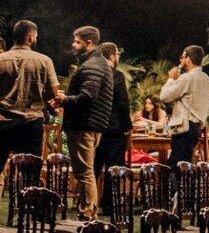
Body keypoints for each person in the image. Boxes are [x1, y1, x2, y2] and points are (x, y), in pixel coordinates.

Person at [62, 26, 115, 217]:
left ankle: (87, 213)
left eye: (77, 42)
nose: (73, 45)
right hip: (92, 124)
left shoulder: (92, 65)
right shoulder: (99, 63)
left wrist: (63, 99)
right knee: (86, 171)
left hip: (84, 125)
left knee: (85, 172)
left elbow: (87, 97)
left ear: (89, 43)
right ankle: (88, 212)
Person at [0, 20, 60, 176]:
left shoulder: (1, 59)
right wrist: (42, 95)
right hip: (30, 124)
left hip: (2, 122)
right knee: (31, 176)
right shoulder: (44, 61)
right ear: (30, 37)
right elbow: (54, 92)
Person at [158, 46, 209, 170]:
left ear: (188, 59)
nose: (180, 60)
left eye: (182, 57)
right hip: (197, 128)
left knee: (177, 167)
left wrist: (171, 79)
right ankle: (183, 182)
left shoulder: (187, 78)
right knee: (184, 164)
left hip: (184, 127)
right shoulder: (208, 80)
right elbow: (208, 108)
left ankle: (176, 183)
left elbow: (164, 96)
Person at [94, 42, 134, 178]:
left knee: (93, 170)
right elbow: (123, 103)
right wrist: (127, 126)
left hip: (94, 128)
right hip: (113, 129)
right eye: (118, 54)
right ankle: (109, 193)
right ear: (111, 56)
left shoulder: (93, 74)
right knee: (113, 171)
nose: (118, 57)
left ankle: (89, 193)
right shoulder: (116, 75)